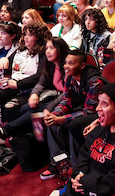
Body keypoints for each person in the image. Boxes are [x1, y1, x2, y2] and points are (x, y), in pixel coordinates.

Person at [41, 50, 105, 180]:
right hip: (80, 111)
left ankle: (75, 168)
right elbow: (66, 100)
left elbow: (90, 111)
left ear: (82, 66)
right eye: (65, 63)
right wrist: (54, 115)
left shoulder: (94, 82)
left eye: (71, 63)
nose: (66, 66)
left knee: (74, 125)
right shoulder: (70, 77)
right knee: (52, 123)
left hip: (97, 115)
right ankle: (58, 163)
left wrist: (61, 119)